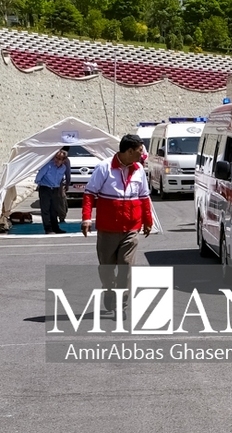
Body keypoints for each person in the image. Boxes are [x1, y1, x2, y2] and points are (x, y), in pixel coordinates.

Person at [81, 135, 154, 316]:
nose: (142, 155)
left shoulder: (139, 170)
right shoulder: (104, 168)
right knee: (106, 267)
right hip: (108, 229)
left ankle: (122, 303)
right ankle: (109, 289)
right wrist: (86, 219)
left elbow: (144, 197)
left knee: (126, 267)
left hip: (131, 228)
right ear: (129, 151)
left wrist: (148, 221)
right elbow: (89, 194)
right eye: (140, 151)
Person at [34, 149, 69, 234]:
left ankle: (55, 227)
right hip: (45, 188)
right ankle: (48, 229)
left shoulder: (63, 168)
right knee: (46, 210)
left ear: (63, 160)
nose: (57, 160)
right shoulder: (48, 166)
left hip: (55, 189)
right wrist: (40, 184)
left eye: (60, 159)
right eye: (56, 158)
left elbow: (61, 179)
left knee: (54, 210)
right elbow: (38, 177)